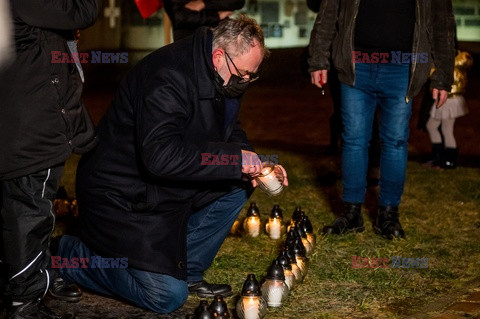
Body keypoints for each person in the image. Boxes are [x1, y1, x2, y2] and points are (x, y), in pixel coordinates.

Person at [57, 15, 288, 314]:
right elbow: (160, 157)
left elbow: (230, 128)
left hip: (165, 189)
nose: (246, 82)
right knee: (165, 296)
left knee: (238, 183)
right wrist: (234, 161)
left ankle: (187, 270)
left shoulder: (220, 74)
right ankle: (69, 256)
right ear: (219, 56)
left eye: (251, 76)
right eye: (244, 74)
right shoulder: (168, 77)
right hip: (123, 197)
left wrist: (253, 162)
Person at [308, 0, 455, 239]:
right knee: (354, 140)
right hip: (356, 66)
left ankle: (388, 214)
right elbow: (329, 12)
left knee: (395, 141)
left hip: (402, 68)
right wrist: (318, 59)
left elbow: (443, 24)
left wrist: (443, 76)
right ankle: (352, 211)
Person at [0, 0, 99, 318]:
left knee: (25, 207)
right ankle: (25, 299)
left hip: (27, 119)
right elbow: (84, 10)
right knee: (30, 212)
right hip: (31, 127)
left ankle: (32, 277)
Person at [425, 50, 473, 169]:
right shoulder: (452, 61)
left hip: (448, 99)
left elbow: (434, 75)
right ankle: (440, 158)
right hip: (447, 98)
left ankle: (448, 160)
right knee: (433, 126)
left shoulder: (450, 63)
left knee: (446, 129)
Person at [163, 0, 245, 41]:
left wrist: (204, 3)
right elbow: (181, 17)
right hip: (189, 43)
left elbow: (237, 2)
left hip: (219, 39)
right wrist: (217, 15)